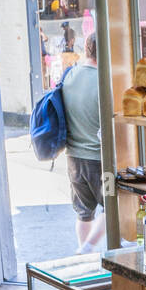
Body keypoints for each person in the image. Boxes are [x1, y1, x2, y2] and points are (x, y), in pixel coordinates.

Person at [61, 33, 105, 253]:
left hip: (73, 156)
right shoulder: (104, 82)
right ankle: (86, 249)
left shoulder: (70, 75)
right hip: (98, 158)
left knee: (83, 212)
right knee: (114, 208)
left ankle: (83, 258)